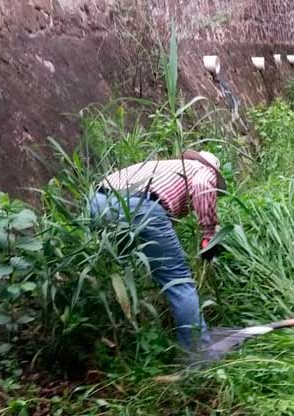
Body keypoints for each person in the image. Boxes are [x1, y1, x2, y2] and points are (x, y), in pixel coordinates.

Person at [90, 150, 224, 351]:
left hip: (96, 202)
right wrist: (209, 234)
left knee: (119, 268)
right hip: (140, 205)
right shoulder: (202, 169)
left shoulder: (163, 166)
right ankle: (201, 355)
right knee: (178, 281)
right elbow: (203, 186)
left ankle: (116, 338)